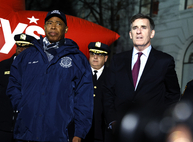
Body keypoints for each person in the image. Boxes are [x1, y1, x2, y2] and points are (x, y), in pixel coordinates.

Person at [6, 10, 94, 142]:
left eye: (58, 23)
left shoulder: (77, 59)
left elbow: (84, 99)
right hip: (26, 132)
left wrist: (79, 132)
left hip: (59, 135)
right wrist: (22, 105)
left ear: (66, 29)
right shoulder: (27, 55)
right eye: (49, 23)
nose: (53, 26)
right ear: (44, 27)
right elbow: (13, 84)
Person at [103, 13, 181, 141]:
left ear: (152, 33)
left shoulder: (164, 61)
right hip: (119, 131)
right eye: (135, 28)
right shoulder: (118, 60)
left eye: (144, 27)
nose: (138, 31)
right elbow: (107, 91)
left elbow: (173, 94)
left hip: (150, 132)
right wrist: (112, 120)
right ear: (130, 34)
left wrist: (161, 120)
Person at [0, 33, 35, 142]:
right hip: (3, 126)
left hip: (26, 127)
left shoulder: (37, 69)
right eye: (19, 46)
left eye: (25, 47)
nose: (21, 49)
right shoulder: (2, 66)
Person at [83, 42, 110, 142]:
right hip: (82, 132)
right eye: (93, 54)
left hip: (103, 132)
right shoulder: (80, 74)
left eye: (99, 55)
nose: (95, 57)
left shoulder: (112, 77)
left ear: (106, 58)